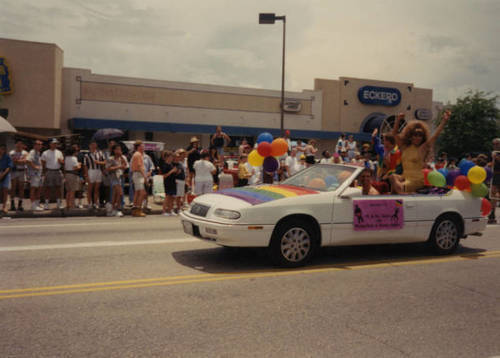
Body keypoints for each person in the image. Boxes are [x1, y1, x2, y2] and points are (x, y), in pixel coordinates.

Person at [389, 111, 451, 194]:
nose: (417, 137)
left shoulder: (422, 148)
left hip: (417, 180)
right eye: (415, 135)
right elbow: (394, 134)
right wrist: (398, 120)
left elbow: (435, 136)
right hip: (405, 177)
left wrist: (444, 121)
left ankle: (402, 196)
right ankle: (401, 195)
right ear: (410, 136)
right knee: (392, 177)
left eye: (420, 135)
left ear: (423, 137)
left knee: (397, 188)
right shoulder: (404, 147)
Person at [41, 138, 65, 209]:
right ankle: (46, 204)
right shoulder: (45, 153)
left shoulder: (59, 152)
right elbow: (43, 164)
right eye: (53, 143)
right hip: (49, 171)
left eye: (56, 143)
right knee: (47, 188)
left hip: (57, 171)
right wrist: (44, 173)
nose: (55, 145)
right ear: (50, 144)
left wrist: (61, 162)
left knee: (58, 188)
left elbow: (63, 162)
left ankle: (59, 203)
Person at [106, 144, 127, 217]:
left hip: (119, 177)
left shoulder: (121, 158)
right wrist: (119, 166)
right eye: (117, 149)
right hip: (113, 177)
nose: (119, 151)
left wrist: (121, 157)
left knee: (116, 194)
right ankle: (118, 209)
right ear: (114, 150)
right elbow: (108, 168)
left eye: (120, 149)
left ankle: (111, 208)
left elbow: (125, 165)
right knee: (120, 192)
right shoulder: (110, 159)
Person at [84, 141, 105, 209]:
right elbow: (85, 166)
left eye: (94, 145)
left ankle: (96, 203)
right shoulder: (87, 155)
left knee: (96, 189)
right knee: (90, 189)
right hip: (91, 171)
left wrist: (98, 162)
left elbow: (104, 162)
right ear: (89, 146)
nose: (93, 146)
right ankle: (89, 203)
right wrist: (86, 175)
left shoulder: (100, 153)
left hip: (98, 171)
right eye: (92, 145)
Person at [9, 140, 28, 211]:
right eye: (18, 144)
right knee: (13, 188)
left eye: (21, 144)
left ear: (22, 145)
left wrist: (17, 161)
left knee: (21, 188)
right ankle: (12, 204)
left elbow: (25, 161)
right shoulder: (11, 152)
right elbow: (12, 162)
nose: (19, 145)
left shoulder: (25, 152)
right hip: (14, 171)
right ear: (15, 144)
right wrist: (20, 161)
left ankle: (20, 205)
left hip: (22, 171)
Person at [130, 140, 147, 217]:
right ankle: (138, 210)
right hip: (138, 174)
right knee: (141, 193)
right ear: (138, 147)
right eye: (142, 146)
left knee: (137, 193)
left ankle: (135, 209)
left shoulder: (136, 154)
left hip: (136, 174)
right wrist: (145, 176)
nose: (143, 147)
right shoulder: (138, 154)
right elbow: (140, 166)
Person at [159, 150, 177, 216]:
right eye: (171, 157)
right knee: (167, 197)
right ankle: (164, 211)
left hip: (173, 182)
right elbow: (164, 175)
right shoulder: (164, 165)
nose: (172, 158)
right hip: (167, 182)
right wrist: (172, 171)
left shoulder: (171, 164)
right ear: (167, 157)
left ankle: (170, 210)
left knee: (172, 197)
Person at [27, 140, 44, 211]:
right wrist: (34, 167)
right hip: (34, 174)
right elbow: (28, 161)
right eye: (38, 144)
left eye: (41, 144)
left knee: (39, 188)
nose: (40, 146)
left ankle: (37, 203)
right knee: (33, 188)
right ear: (35, 145)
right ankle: (33, 205)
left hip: (39, 174)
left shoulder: (38, 152)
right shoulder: (32, 152)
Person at [488, 138, 500, 224]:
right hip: (495, 175)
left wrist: (497, 158)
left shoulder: (495, 154)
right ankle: (492, 214)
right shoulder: (492, 153)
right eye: (494, 144)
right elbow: (489, 164)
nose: (495, 145)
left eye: (497, 144)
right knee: (493, 195)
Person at [0, 144, 13, 214]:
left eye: (3, 149)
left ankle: (4, 207)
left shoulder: (7, 157)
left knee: (5, 190)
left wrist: (3, 174)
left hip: (5, 174)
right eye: (1, 149)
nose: (2, 150)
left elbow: (9, 167)